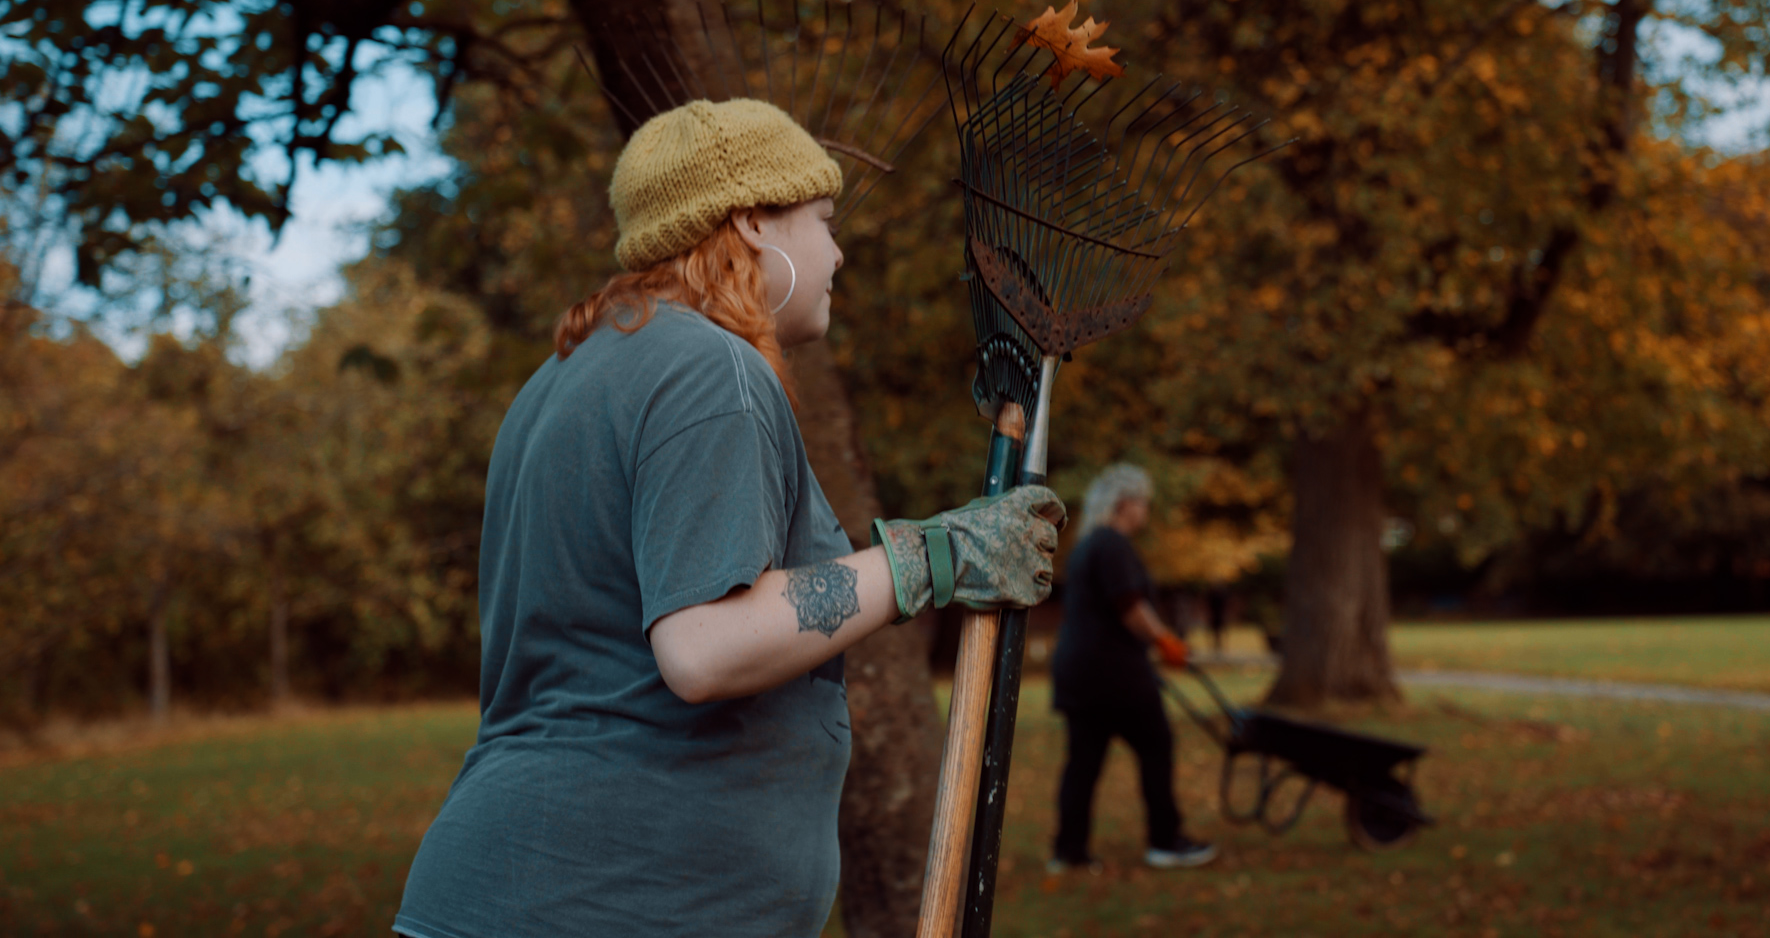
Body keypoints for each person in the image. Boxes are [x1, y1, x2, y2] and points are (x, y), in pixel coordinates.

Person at [393, 98, 1067, 938]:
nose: (839, 253)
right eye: (822, 220)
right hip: (610, 907)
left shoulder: (565, 377)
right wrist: (932, 557)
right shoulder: (711, 368)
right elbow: (703, 647)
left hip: (519, 890)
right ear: (751, 222)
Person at [1048, 463, 1217, 872]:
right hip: (1114, 674)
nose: (1145, 510)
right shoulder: (1113, 545)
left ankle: (1069, 852)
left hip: (1078, 671)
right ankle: (1165, 841)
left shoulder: (1089, 544)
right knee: (1156, 745)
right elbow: (1130, 606)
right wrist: (1165, 641)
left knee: (1084, 762)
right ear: (1126, 503)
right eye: (1142, 502)